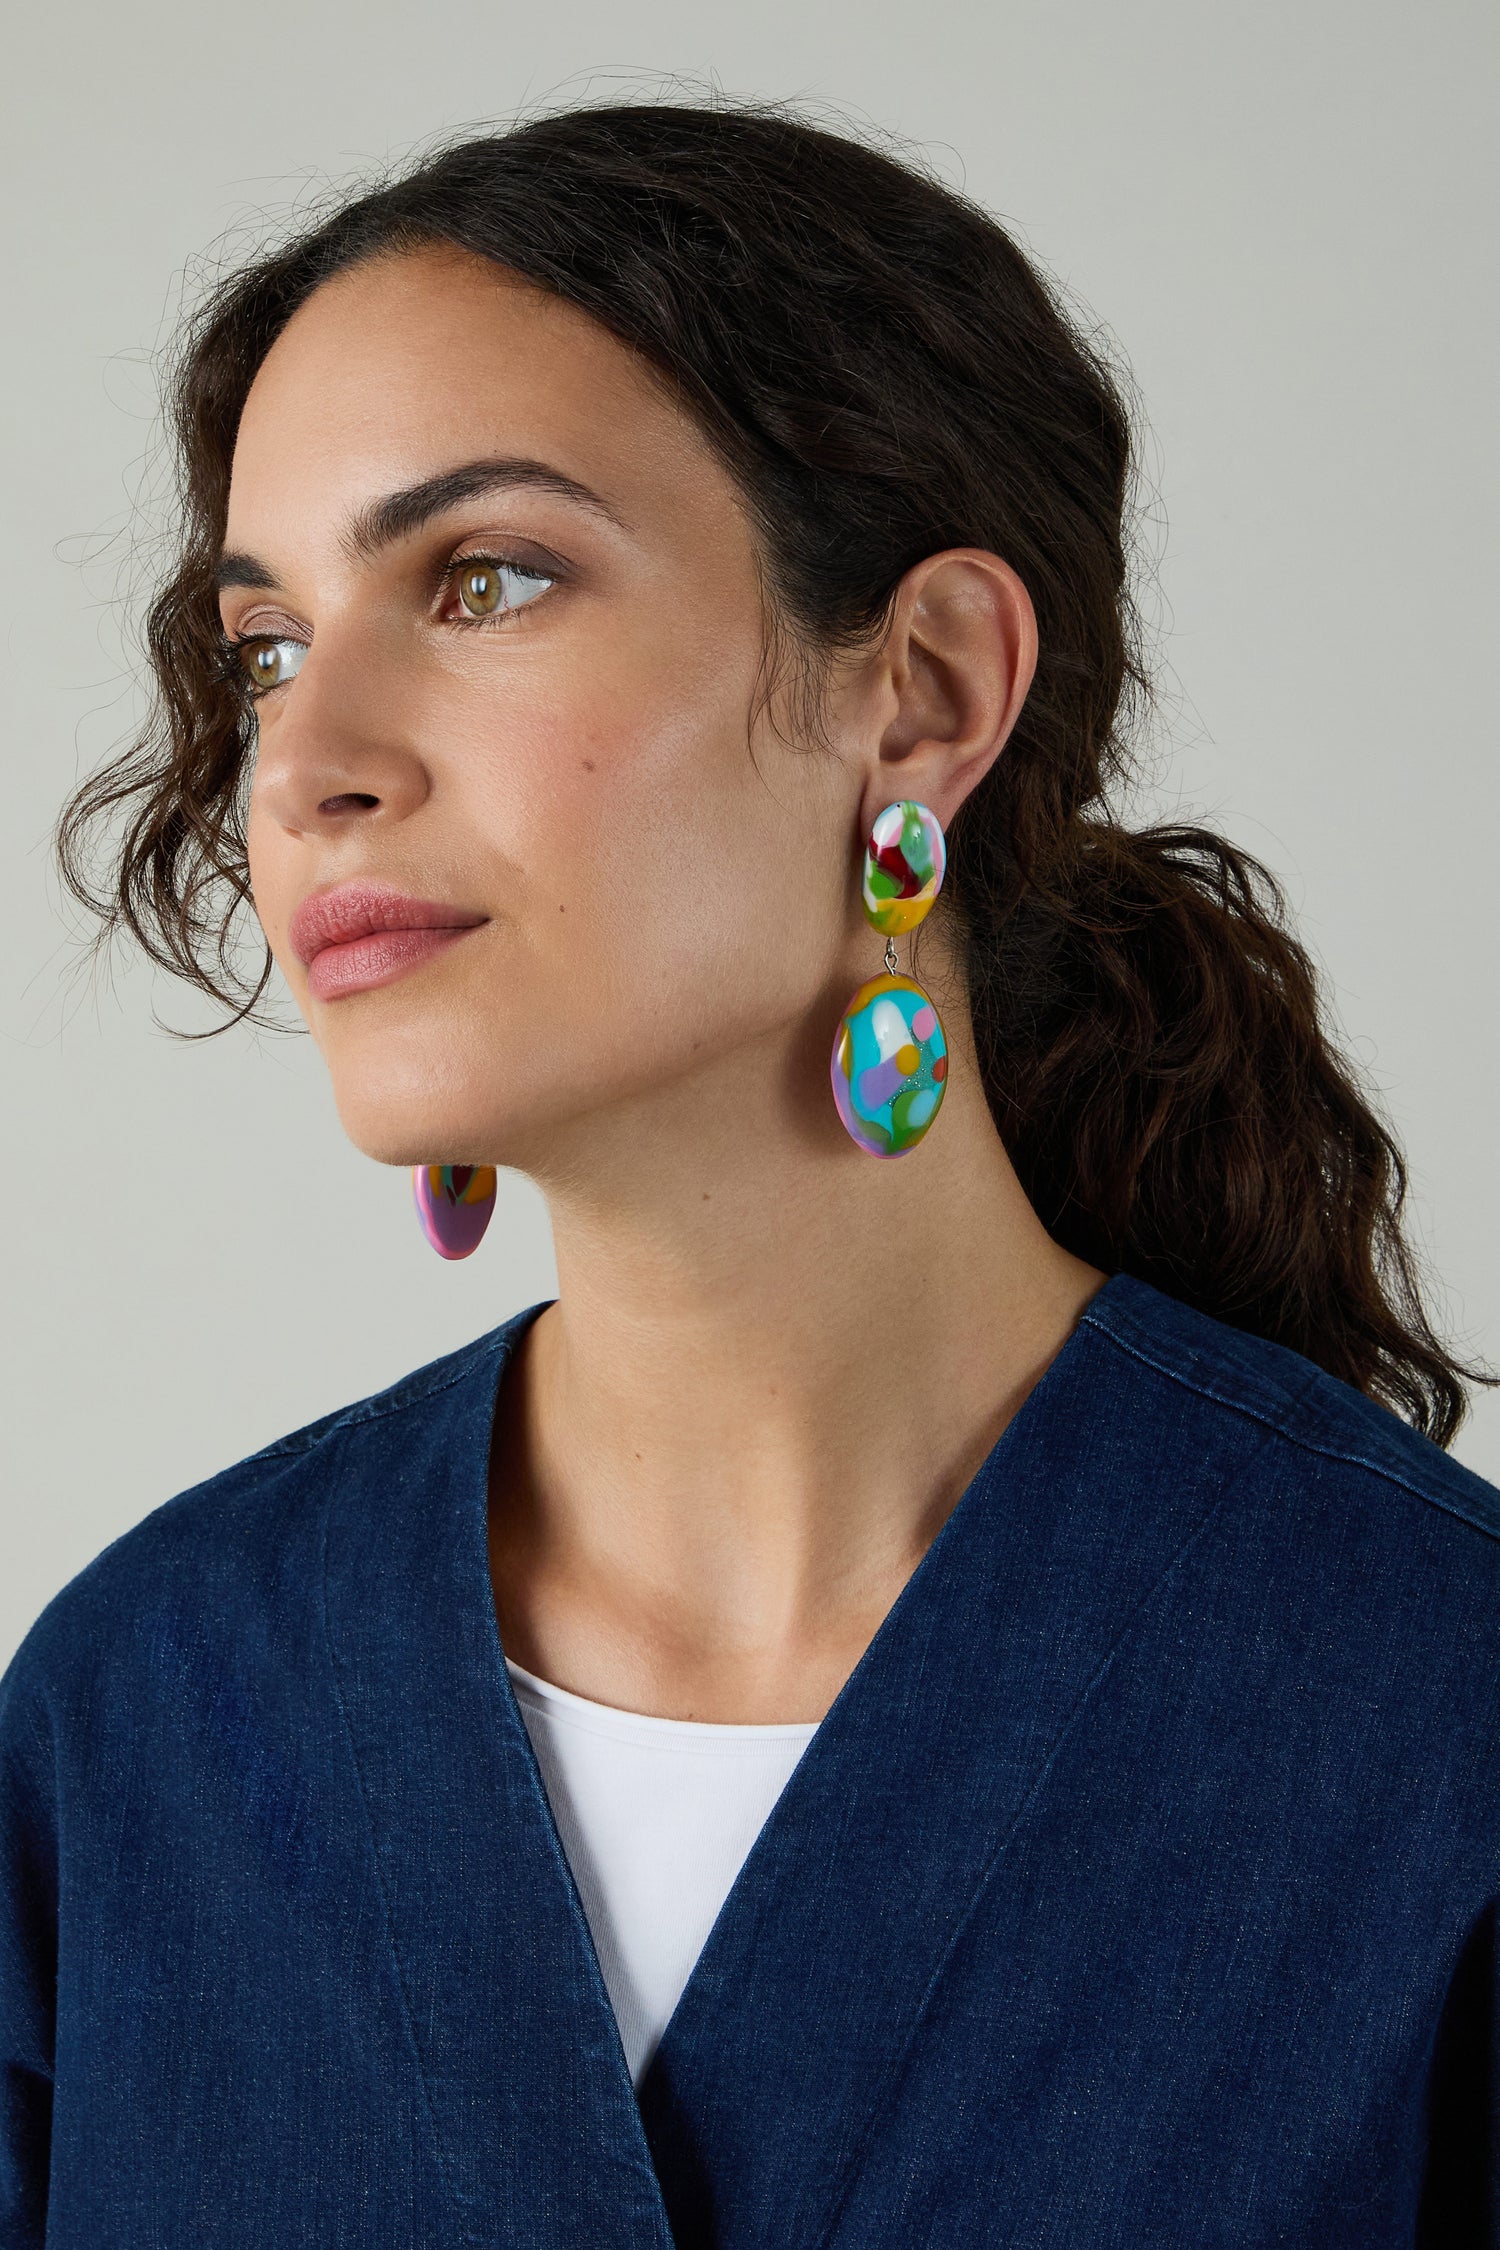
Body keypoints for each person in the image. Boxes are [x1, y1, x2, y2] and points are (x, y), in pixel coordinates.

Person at [3, 97, 1497, 2248]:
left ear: (919, 692)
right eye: (265, 646)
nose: (309, 764)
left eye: (484, 579)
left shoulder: (1431, 1723)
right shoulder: (140, 1730)